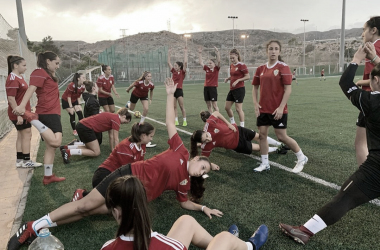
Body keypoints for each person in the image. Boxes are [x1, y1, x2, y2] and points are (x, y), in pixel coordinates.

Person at [6, 78, 224, 250]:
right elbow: (169, 122)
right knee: (84, 206)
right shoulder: (181, 150)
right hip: (128, 176)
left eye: (203, 172)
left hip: (135, 199)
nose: (200, 172)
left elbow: (185, 203)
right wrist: (169, 96)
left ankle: (54, 216)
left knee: (88, 211)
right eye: (203, 167)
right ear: (195, 159)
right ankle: (32, 227)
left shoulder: (185, 183)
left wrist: (204, 207)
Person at [279, 45, 380, 245]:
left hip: (376, 168)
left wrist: (357, 58)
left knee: (345, 198)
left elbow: (345, 82)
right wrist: (376, 59)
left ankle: (305, 231)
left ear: (375, 80)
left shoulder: (370, 100)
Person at [101, 175, 269, 250]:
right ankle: (249, 246)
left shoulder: (107, 247)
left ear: (116, 212)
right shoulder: (167, 246)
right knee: (223, 237)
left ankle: (228, 244)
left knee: (186, 221)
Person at [252, 40, 308, 173]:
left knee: (281, 136)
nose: (273, 51)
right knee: (262, 136)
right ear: (267, 51)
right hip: (263, 109)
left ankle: (301, 157)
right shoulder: (260, 68)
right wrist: (255, 103)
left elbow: (288, 89)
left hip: (278, 109)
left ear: (279, 51)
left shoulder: (283, 67)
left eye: (276, 49)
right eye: (271, 49)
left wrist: (281, 107)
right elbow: (255, 87)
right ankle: (265, 163)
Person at [12, 51, 65, 185]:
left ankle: (48, 176)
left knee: (50, 147)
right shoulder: (39, 72)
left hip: (54, 113)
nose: (58, 66)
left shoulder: (48, 74)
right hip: (47, 113)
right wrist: (22, 107)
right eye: (56, 63)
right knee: (56, 143)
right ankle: (31, 118)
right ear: (48, 61)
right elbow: (31, 88)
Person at [72, 122, 154, 201]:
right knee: (114, 200)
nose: (151, 139)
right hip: (104, 176)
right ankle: (83, 194)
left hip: (118, 175)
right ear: (143, 136)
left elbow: (139, 165)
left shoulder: (142, 145)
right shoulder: (126, 147)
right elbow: (127, 172)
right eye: (150, 136)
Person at [190, 111, 282, 159]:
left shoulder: (209, 124)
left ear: (204, 131)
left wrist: (228, 124)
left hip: (238, 130)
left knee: (260, 137)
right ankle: (277, 149)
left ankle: (279, 144)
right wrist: (212, 165)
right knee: (258, 148)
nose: (208, 139)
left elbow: (216, 113)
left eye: (206, 136)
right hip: (237, 144)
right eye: (205, 141)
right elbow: (203, 159)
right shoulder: (206, 146)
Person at [6, 55, 42, 168]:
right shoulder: (12, 79)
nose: (26, 68)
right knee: (27, 135)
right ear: (16, 65)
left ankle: (20, 160)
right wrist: (19, 115)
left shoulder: (19, 77)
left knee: (21, 136)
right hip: (19, 113)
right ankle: (26, 161)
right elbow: (11, 99)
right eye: (24, 65)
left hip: (23, 112)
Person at [353, 16, 380, 167]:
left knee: (360, 144)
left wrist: (358, 82)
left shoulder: (373, 48)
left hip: (372, 100)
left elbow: (376, 78)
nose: (362, 34)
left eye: (364, 30)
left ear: (374, 30)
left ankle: (365, 180)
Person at [60, 108, 131, 164]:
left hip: (82, 125)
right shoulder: (116, 120)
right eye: (125, 122)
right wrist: (117, 154)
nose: (123, 124)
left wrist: (112, 150)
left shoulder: (113, 117)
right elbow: (116, 139)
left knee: (90, 147)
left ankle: (67, 147)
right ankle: (68, 152)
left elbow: (111, 136)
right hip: (86, 127)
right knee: (96, 152)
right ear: (124, 116)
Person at [224, 49, 250, 127]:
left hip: (239, 89)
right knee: (227, 107)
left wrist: (238, 80)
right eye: (230, 58)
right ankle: (233, 123)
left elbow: (248, 76)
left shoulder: (242, 65)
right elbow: (233, 75)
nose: (232, 60)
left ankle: (242, 126)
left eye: (233, 58)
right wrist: (228, 78)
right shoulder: (231, 65)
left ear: (237, 56)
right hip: (232, 89)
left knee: (238, 109)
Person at [167, 46, 188, 126]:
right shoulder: (173, 71)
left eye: (176, 66)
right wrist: (169, 53)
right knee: (174, 106)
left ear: (179, 67)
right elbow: (169, 62)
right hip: (173, 90)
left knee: (181, 106)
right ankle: (176, 120)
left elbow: (185, 63)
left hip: (179, 90)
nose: (174, 66)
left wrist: (185, 52)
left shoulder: (182, 72)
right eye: (174, 65)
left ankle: (184, 120)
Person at [198, 46, 221, 113]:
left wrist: (217, 52)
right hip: (206, 88)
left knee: (214, 105)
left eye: (210, 63)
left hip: (213, 88)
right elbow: (201, 62)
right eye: (208, 63)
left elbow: (219, 61)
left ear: (214, 64)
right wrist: (200, 53)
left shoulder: (216, 69)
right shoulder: (207, 69)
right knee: (208, 105)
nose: (209, 64)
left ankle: (217, 117)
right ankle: (211, 117)